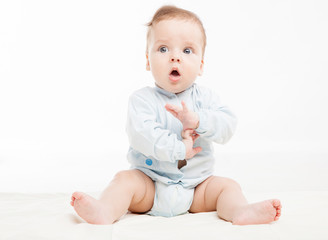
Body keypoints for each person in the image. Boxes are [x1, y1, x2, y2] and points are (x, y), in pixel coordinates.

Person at [70, 5, 282, 225]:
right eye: (163, 49)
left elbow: (227, 127)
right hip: (149, 185)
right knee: (123, 180)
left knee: (227, 186)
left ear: (200, 66)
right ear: (147, 60)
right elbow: (142, 134)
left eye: (187, 50)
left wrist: (198, 120)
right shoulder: (141, 100)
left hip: (198, 187)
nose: (175, 58)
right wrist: (180, 149)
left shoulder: (206, 99)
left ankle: (239, 211)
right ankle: (106, 210)